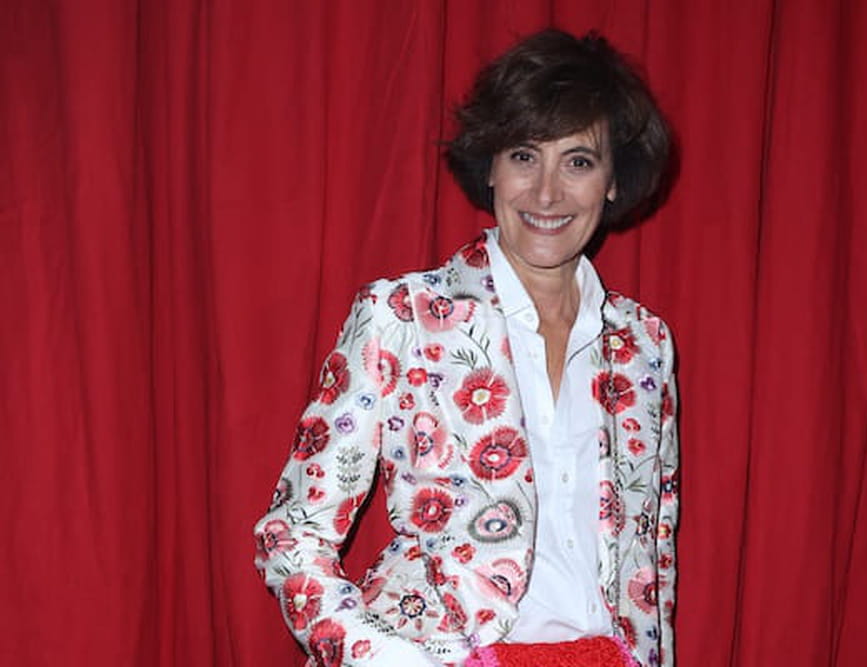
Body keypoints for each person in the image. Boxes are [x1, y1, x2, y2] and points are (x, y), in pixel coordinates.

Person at [254, 28, 678, 667]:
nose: (546, 193)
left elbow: (652, 567)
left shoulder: (643, 345)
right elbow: (292, 535)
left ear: (614, 180)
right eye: (524, 156)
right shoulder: (402, 317)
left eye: (578, 162)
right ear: (491, 167)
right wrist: (389, 661)